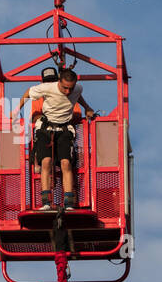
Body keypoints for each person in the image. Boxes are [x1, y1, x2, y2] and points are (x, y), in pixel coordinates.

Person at [18, 67, 100, 211]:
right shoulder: (47, 88)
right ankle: (46, 202)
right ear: (58, 82)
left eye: (70, 88)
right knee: (46, 162)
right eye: (64, 88)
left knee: (66, 163)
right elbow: (28, 93)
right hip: (46, 128)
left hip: (64, 129)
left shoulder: (77, 89)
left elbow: (78, 95)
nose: (67, 91)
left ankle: (68, 203)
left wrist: (87, 107)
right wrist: (15, 110)